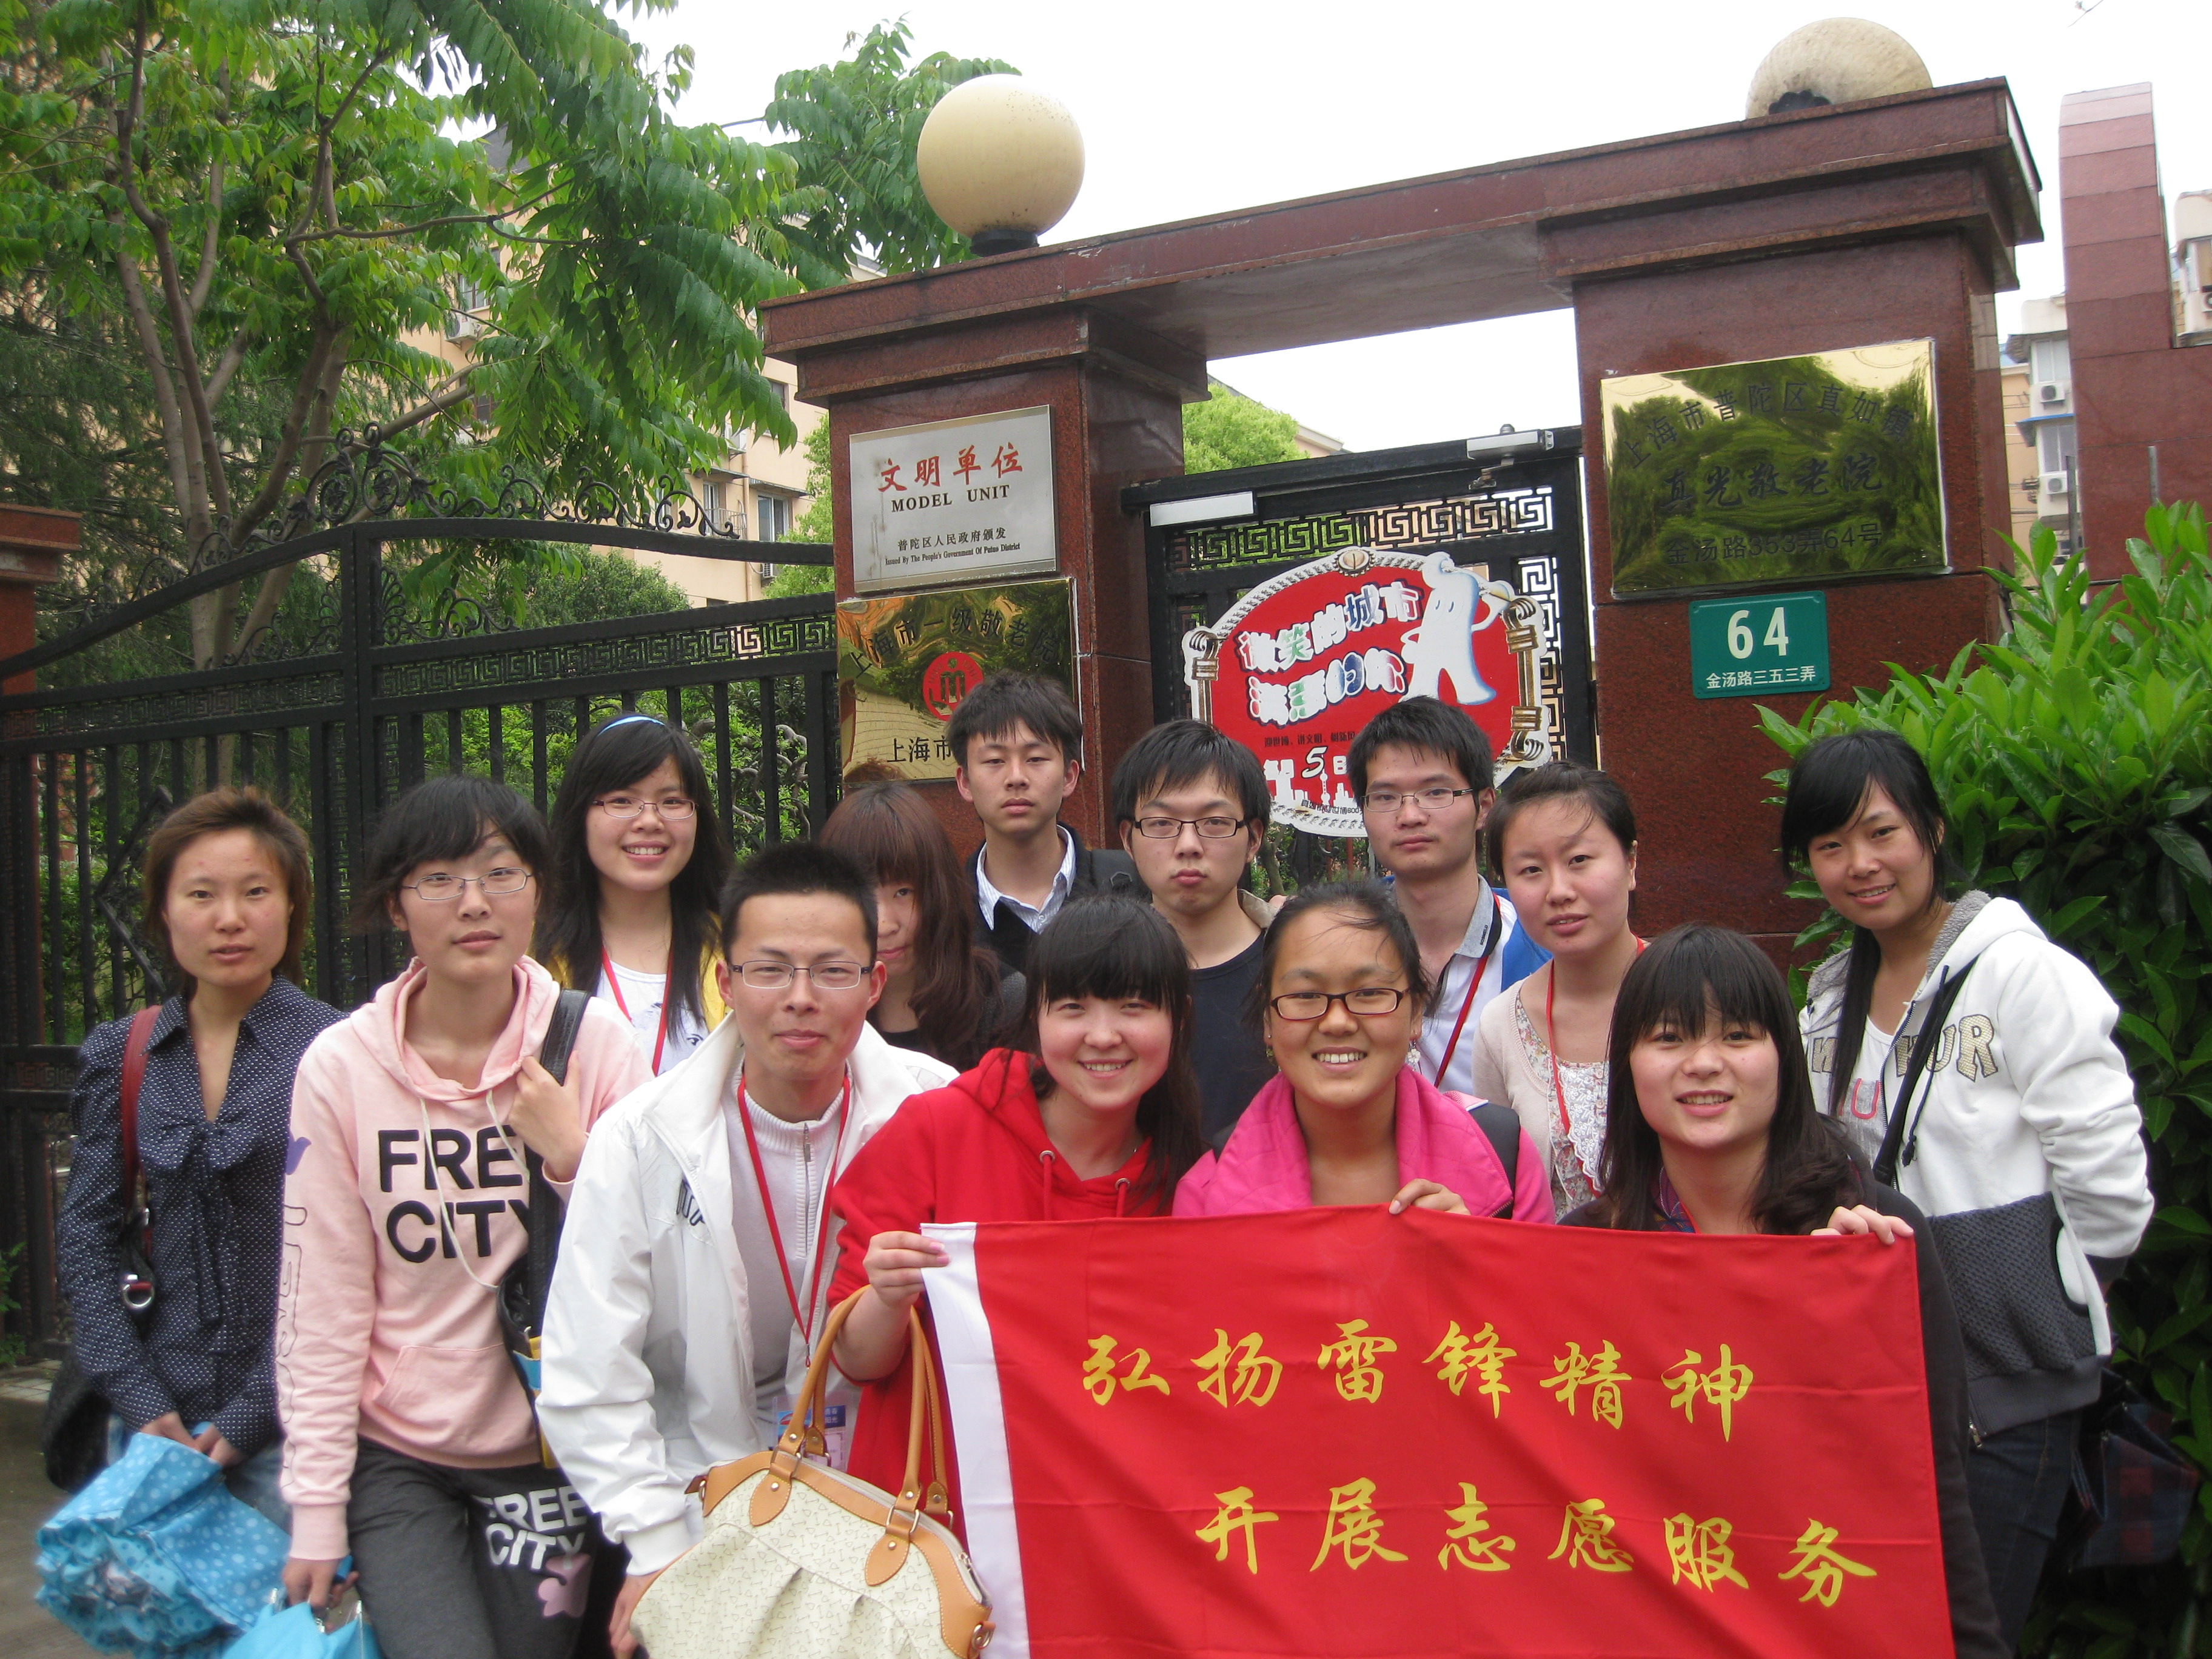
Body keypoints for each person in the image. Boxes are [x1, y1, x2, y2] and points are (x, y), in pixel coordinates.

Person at [537, 843, 954, 1658]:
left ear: (875, 983)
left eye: (832, 971)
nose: (801, 998)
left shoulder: (937, 1110)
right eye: (770, 970)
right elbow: (590, 1369)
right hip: (707, 1506)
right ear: (726, 983)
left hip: (892, 1511)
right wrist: (657, 1542)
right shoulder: (643, 1136)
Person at [1783, 728, 2152, 1644]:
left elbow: (2110, 1180)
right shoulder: (1828, 1002)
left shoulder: (2023, 975)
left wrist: (2056, 1292)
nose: (1861, 865)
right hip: (1880, 1387)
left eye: (1882, 833)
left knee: (1965, 1633)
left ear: (1934, 830)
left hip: (2006, 1392)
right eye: (1830, 845)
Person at [276, 776, 649, 1659]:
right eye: (439, 879)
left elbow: (664, 1257)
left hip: (553, 1450)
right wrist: (317, 1507)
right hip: (400, 1456)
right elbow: (321, 1300)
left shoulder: (594, 1044)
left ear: (538, 892)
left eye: (500, 873)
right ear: (396, 906)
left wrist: (574, 1158)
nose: (473, 903)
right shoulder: (340, 1067)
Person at [1563, 922, 2007, 1659]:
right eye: (1669, 1038)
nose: (1704, 1064)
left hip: (1830, 1613)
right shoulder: (1587, 1250)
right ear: (1627, 1065)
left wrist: (1853, 1318)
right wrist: (1439, 1255)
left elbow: (1933, 1485)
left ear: (1784, 1059)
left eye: (1738, 1036)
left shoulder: (1872, 1238)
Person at [826, 896, 1205, 1526]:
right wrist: (887, 1298)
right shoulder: (939, 1130)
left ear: (1179, 1019)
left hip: (1097, 1538)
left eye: (1134, 1006)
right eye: (1073, 1007)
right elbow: (857, 1360)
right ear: (1036, 1016)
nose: (1103, 1035)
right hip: (930, 1537)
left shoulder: (1191, 1189)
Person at [56, 788, 342, 1525]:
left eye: (256, 892)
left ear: (292, 904)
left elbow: (357, 1257)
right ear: (163, 911)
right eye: (201, 894)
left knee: (292, 1605)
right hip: (153, 1424)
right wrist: (141, 1401)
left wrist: (253, 1414)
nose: (229, 918)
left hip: (298, 1425)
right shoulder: (125, 1053)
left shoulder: (338, 1051)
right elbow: (86, 1236)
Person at [1174, 880, 1550, 1222]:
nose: (1337, 1022)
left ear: (1416, 1011)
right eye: (1305, 995)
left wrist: (1473, 1257)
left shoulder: (1505, 1158)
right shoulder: (1205, 1198)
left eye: (1369, 993)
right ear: (1268, 1019)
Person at [1467, 762, 1642, 1217]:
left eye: (1579, 860)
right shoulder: (1501, 1025)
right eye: (1531, 870)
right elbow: (1503, 1190)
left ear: (1630, 863)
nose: (1558, 891)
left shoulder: (1702, 991)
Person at [1349, 697, 1546, 1094]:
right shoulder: (1338, 940)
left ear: (1484, 806)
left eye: (1436, 792)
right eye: (1385, 797)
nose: (1410, 816)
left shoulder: (1541, 943)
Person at [537, 713, 734, 1076]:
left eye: (672, 802)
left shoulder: (740, 948)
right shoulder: (531, 958)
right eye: (622, 801)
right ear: (580, 815)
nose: (649, 821)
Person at [1111, 719, 1278, 1141]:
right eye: (1162, 823)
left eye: (1215, 822)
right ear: (1128, 839)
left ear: (1253, 838)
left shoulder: (1296, 966)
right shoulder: (1098, 973)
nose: (1188, 845)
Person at [820, 780, 1022, 1070]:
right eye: (863, 896)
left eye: (903, 892)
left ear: (939, 891)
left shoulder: (1002, 1002)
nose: (885, 925)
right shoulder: (817, 1007)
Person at [947, 672, 1138, 975]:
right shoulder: (943, 914)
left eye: (1035, 758)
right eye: (995, 761)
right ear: (965, 782)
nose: (1016, 778)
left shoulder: (1133, 884)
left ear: (1069, 776)